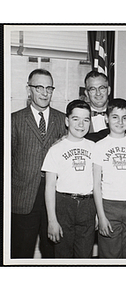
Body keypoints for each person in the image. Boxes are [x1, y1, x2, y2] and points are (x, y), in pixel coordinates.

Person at [11, 68, 66, 258]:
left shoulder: (63, 120)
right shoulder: (14, 120)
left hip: (56, 200)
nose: (44, 93)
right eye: (39, 87)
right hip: (23, 199)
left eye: (49, 88)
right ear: (29, 90)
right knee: (20, 252)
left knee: (53, 253)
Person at [93, 98, 126, 258]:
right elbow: (96, 184)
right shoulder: (100, 146)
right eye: (115, 117)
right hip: (109, 206)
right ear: (106, 118)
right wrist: (101, 216)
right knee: (109, 254)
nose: (120, 121)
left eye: (124, 117)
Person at [42, 100, 96, 258]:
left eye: (86, 120)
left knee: (84, 256)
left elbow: (99, 182)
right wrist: (52, 220)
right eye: (75, 119)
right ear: (67, 120)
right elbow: (49, 186)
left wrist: (98, 213)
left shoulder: (94, 147)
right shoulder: (56, 149)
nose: (81, 124)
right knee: (63, 256)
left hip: (88, 205)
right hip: (63, 205)